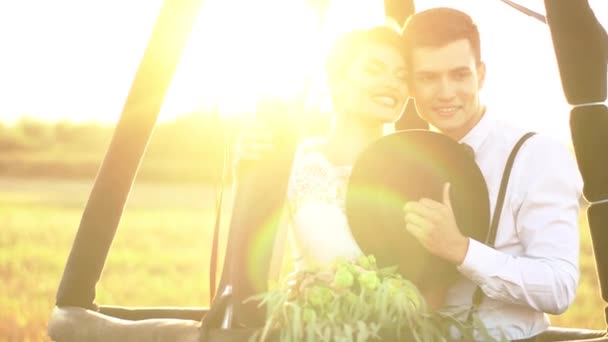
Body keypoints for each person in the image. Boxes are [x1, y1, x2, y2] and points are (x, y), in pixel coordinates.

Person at [400, 7, 583, 341]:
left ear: (481, 75)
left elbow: (559, 286)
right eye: (428, 78)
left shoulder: (537, 154)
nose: (445, 92)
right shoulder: (402, 161)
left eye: (459, 75)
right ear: (411, 85)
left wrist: (461, 250)